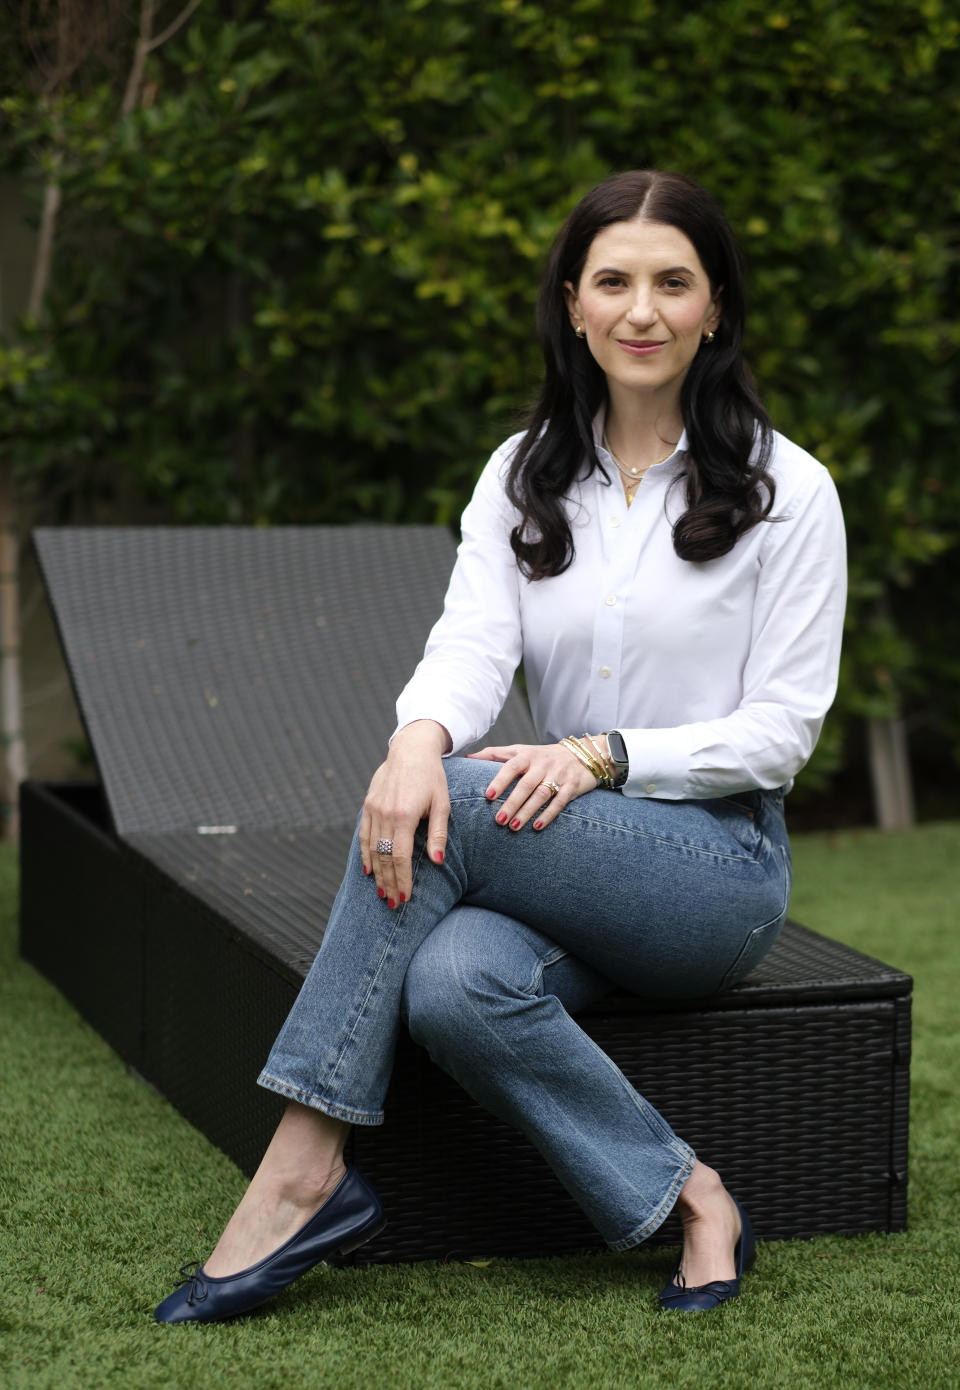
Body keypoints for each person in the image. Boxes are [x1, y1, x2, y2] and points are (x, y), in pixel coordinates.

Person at [155, 169, 846, 1323]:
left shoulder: (790, 489)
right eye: (613, 281)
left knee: (457, 799)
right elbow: (470, 646)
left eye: (673, 283)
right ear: (572, 303)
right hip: (562, 855)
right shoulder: (524, 470)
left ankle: (301, 1165)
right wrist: (415, 738)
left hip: (715, 874)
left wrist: (601, 756)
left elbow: (784, 731)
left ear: (715, 307)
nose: (642, 310)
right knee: (452, 981)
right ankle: (692, 1200)